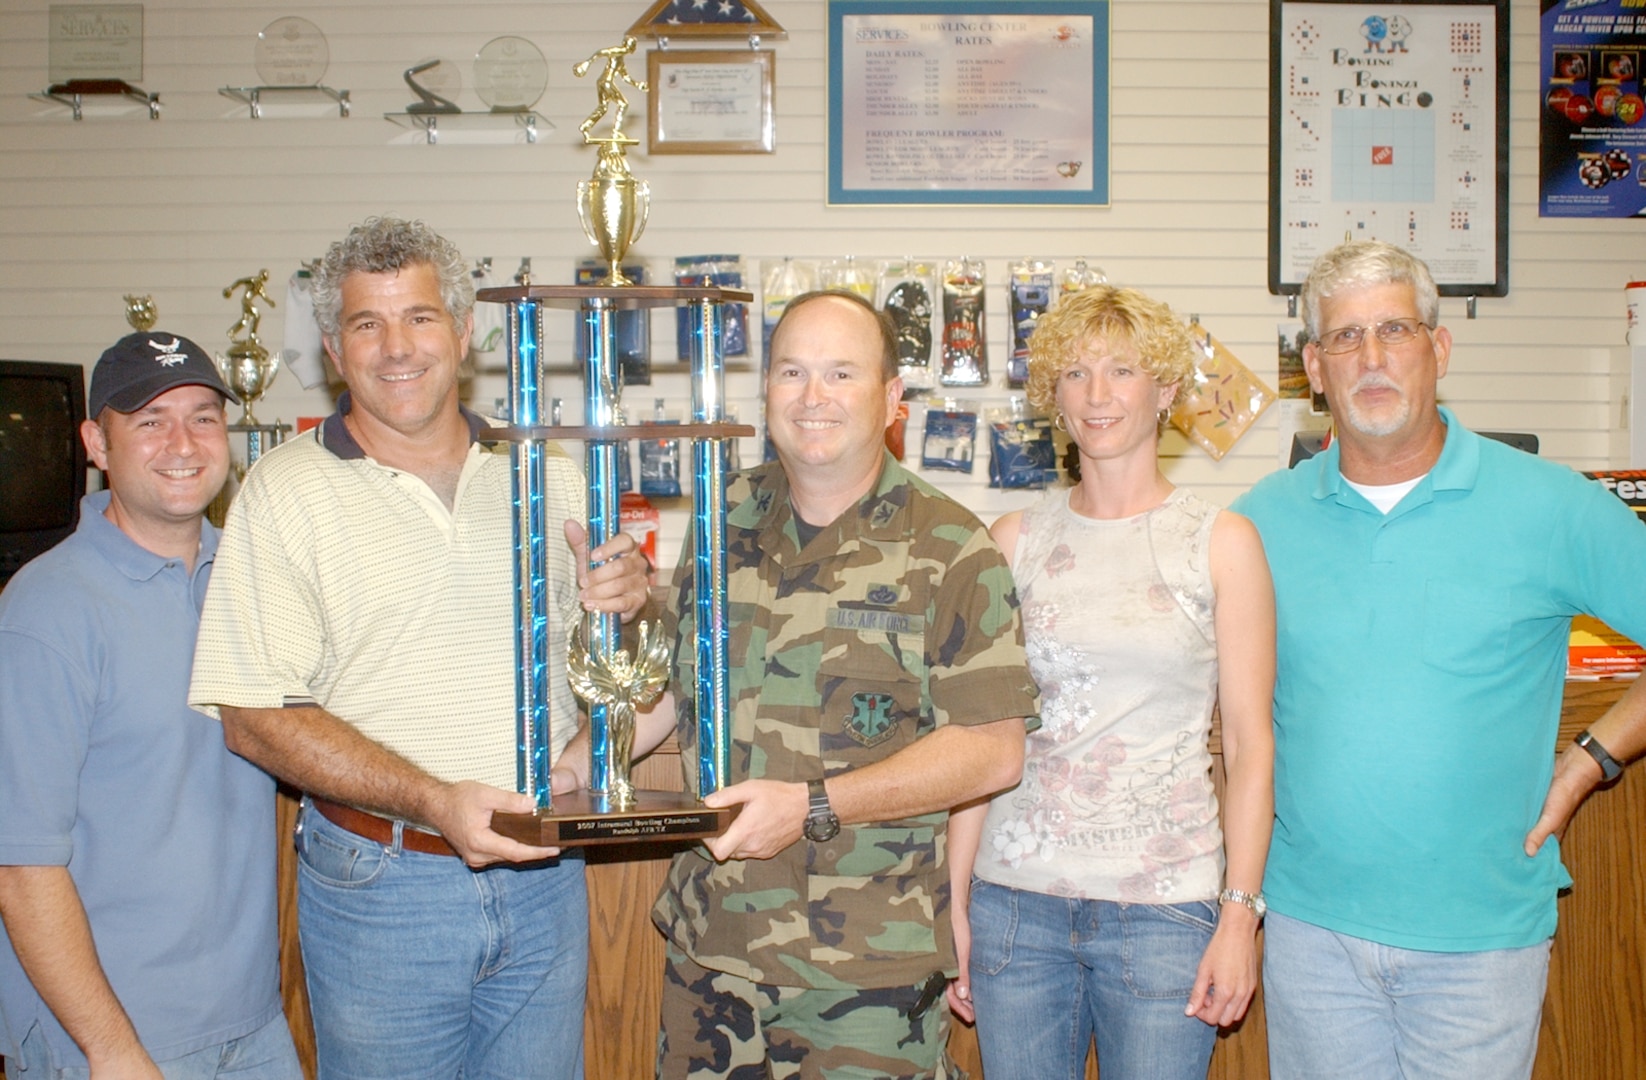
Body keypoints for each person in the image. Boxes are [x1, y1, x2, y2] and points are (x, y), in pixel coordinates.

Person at [186, 217, 649, 1080]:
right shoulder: (284, 491)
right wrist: (434, 799)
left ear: (464, 333)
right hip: (379, 884)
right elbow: (251, 718)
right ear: (333, 346)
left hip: (545, 874)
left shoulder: (547, 473)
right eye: (368, 323)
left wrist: (630, 603)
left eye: (421, 318)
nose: (397, 347)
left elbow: (622, 664)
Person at [559, 289, 1038, 1079]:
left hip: (864, 978)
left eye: (842, 374)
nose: (813, 397)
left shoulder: (952, 548)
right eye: (792, 373)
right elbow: (677, 693)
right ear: (767, 393)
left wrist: (812, 806)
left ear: (891, 400)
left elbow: (992, 752)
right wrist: (579, 767)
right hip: (711, 954)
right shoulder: (722, 518)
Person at [1233, 239, 1646, 1080]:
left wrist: (1591, 761)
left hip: (1481, 940)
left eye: (1397, 329)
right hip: (1312, 935)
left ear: (1439, 349)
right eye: (1346, 339)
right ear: (1314, 367)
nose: (1373, 358)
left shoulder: (1553, 503)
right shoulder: (1257, 522)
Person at [949, 286, 1276, 1079]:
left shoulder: (1221, 543)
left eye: (1122, 371)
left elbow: (1250, 744)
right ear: (1052, 397)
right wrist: (953, 902)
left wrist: (1239, 917)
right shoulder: (1012, 542)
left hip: (1165, 909)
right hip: (1014, 905)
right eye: (1075, 373)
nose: (1097, 395)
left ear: (1165, 391)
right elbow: (979, 740)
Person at [0, 331, 301, 1079]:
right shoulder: (46, 612)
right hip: (110, 1036)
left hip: (252, 1023)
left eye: (202, 417)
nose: (183, 442)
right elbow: (18, 867)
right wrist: (113, 1051)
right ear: (96, 442)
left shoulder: (251, 577)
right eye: (149, 420)